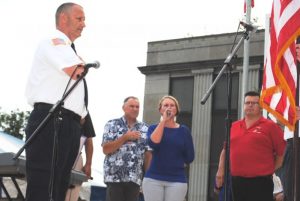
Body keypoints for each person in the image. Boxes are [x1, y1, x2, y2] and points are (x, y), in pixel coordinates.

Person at [24, 3, 89, 201]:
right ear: (63, 19)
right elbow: (76, 71)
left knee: (58, 188)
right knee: (45, 188)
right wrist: (83, 63)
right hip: (52, 121)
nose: (84, 24)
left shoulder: (67, 48)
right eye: (80, 19)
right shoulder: (55, 41)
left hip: (67, 124)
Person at [215, 91, 286, 201]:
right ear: (243, 105)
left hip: (261, 182)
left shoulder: (271, 126)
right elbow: (225, 149)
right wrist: (220, 170)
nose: (250, 105)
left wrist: (268, 169)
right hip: (236, 181)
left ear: (261, 107)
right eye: (247, 102)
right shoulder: (233, 126)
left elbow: (281, 154)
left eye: (254, 103)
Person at [142, 95, 195, 201]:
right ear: (160, 110)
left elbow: (190, 157)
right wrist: (164, 121)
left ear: (176, 110)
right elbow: (154, 143)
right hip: (153, 178)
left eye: (172, 105)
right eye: (166, 105)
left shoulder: (184, 131)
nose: (169, 108)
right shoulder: (153, 128)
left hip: (177, 179)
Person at [102, 96, 152, 201]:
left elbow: (148, 155)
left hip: (135, 179)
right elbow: (106, 149)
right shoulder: (112, 124)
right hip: (114, 177)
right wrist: (125, 137)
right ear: (124, 108)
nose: (135, 109)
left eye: (137, 107)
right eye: (131, 106)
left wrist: (147, 177)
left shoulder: (145, 128)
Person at [65, 117, 95, 201]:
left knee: (72, 193)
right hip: (53, 152)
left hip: (76, 156)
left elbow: (89, 140)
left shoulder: (84, 110)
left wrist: (88, 164)